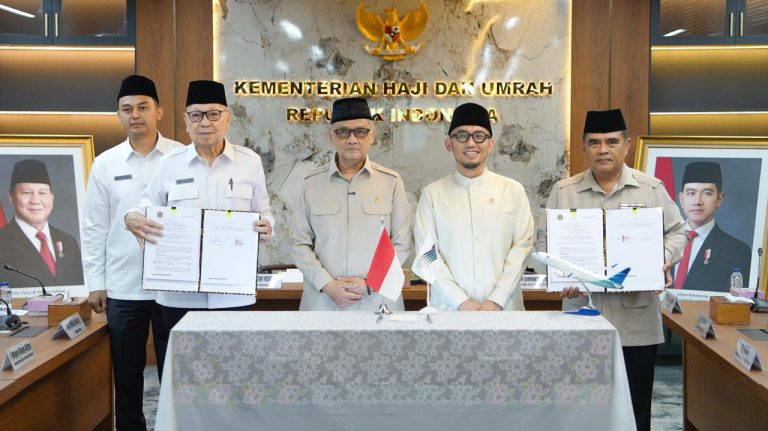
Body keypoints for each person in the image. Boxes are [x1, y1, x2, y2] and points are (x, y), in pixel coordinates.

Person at [546, 109, 687, 431]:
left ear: (627, 144)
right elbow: (547, 240)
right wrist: (561, 275)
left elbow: (678, 231)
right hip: (581, 316)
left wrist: (662, 259)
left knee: (635, 412)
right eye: (594, 142)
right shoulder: (564, 191)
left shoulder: (651, 188)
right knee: (580, 411)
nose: (603, 150)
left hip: (636, 322)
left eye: (611, 142)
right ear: (583, 146)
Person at [124, 80, 274, 337]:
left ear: (227, 118)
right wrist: (130, 218)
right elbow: (143, 209)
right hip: (179, 296)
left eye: (213, 114)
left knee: (234, 360)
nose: (205, 123)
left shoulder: (250, 162)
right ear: (186, 121)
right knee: (181, 362)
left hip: (233, 293)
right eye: (196, 115)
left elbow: (264, 210)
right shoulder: (170, 163)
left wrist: (268, 225)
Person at [82, 75, 183, 430]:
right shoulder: (105, 163)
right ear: (118, 116)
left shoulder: (182, 157)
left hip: (172, 286)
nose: (135, 115)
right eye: (127, 109)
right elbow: (93, 227)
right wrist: (96, 283)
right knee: (126, 377)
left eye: (143, 107)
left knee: (176, 374)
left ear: (159, 112)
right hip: (123, 287)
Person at [292, 97, 411, 311]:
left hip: (377, 302)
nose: (352, 139)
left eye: (361, 131)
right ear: (331, 136)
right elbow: (299, 243)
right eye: (343, 132)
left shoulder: (391, 182)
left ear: (372, 135)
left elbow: (402, 242)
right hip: (323, 304)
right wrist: (327, 284)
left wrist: (370, 284)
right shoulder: (311, 183)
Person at [413, 102, 534, 311]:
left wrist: (496, 301)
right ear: (449, 144)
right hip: (449, 312)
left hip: (504, 312)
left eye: (479, 136)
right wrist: (461, 301)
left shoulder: (512, 191)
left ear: (491, 144)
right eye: (462, 136)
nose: (471, 143)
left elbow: (521, 249)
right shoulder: (432, 195)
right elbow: (427, 255)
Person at [0, 159, 84, 287]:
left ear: (51, 197)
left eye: (42, 193)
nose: (35, 201)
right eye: (26, 193)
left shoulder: (69, 242)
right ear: (11, 197)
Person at [673, 161, 752, 291]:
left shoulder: (737, 252)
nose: (697, 201)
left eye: (707, 193)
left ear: (719, 199)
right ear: (681, 199)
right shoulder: (662, 241)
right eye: (691, 193)